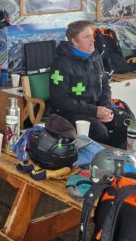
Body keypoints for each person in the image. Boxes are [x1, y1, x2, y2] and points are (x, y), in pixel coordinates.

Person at [48, 20, 130, 148]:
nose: (93, 40)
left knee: (126, 122)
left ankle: (124, 155)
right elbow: (60, 100)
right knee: (99, 131)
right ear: (74, 41)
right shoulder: (61, 64)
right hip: (69, 112)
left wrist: (105, 108)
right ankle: (104, 158)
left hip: (95, 108)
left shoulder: (95, 56)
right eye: (87, 37)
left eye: (92, 35)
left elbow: (105, 84)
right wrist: (94, 111)